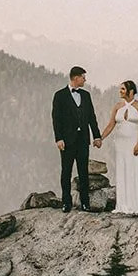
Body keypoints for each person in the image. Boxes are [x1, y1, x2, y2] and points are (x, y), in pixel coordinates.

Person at [101, 79, 138, 216]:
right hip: (120, 144)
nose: (120, 91)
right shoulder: (117, 106)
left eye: (123, 89)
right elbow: (110, 125)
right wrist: (100, 138)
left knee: (133, 171)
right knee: (122, 171)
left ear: (131, 91)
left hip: (133, 143)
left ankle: (134, 205)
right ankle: (122, 204)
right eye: (120, 89)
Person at [52, 66, 102, 213]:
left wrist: (97, 136)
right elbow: (56, 119)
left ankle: (85, 203)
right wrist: (59, 138)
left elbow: (92, 117)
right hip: (67, 141)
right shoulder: (59, 95)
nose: (85, 80)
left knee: (83, 172)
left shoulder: (86, 95)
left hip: (83, 140)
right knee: (66, 171)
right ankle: (66, 203)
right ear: (75, 78)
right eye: (83, 77)